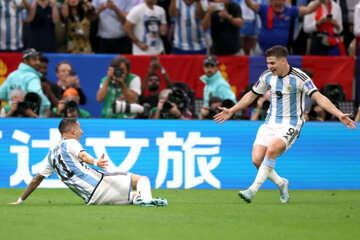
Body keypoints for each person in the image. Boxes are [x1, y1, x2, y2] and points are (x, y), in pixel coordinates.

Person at [214, 45, 357, 203]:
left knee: (272, 150)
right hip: (270, 123)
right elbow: (252, 95)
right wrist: (232, 110)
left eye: (272, 63)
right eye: (268, 63)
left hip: (291, 123)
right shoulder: (267, 76)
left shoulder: (300, 77)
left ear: (283, 61)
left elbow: (319, 97)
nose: (269, 67)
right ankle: (282, 183)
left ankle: (251, 190)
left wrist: (338, 114)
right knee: (256, 159)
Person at [10, 118, 168, 206]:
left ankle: (142, 199)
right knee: (142, 180)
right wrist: (96, 162)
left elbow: (36, 180)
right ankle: (148, 201)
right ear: (72, 131)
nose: (82, 131)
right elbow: (84, 156)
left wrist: (20, 200)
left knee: (134, 196)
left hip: (91, 199)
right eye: (79, 128)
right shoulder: (71, 143)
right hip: (100, 183)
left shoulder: (50, 156)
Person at [244, 0, 324, 54]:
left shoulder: (290, 10)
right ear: (270, 1)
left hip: (280, 53)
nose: (278, 2)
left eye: (281, 0)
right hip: (261, 50)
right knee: (257, 76)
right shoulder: (264, 8)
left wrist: (320, 1)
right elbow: (250, 4)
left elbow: (309, 9)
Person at [0, 48, 51, 117]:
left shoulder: (12, 75)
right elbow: (36, 92)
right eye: (34, 59)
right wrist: (47, 105)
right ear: (25, 61)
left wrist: (12, 101)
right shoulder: (32, 76)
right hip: (30, 117)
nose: (38, 62)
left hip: (13, 116)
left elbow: (1, 94)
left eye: (38, 59)